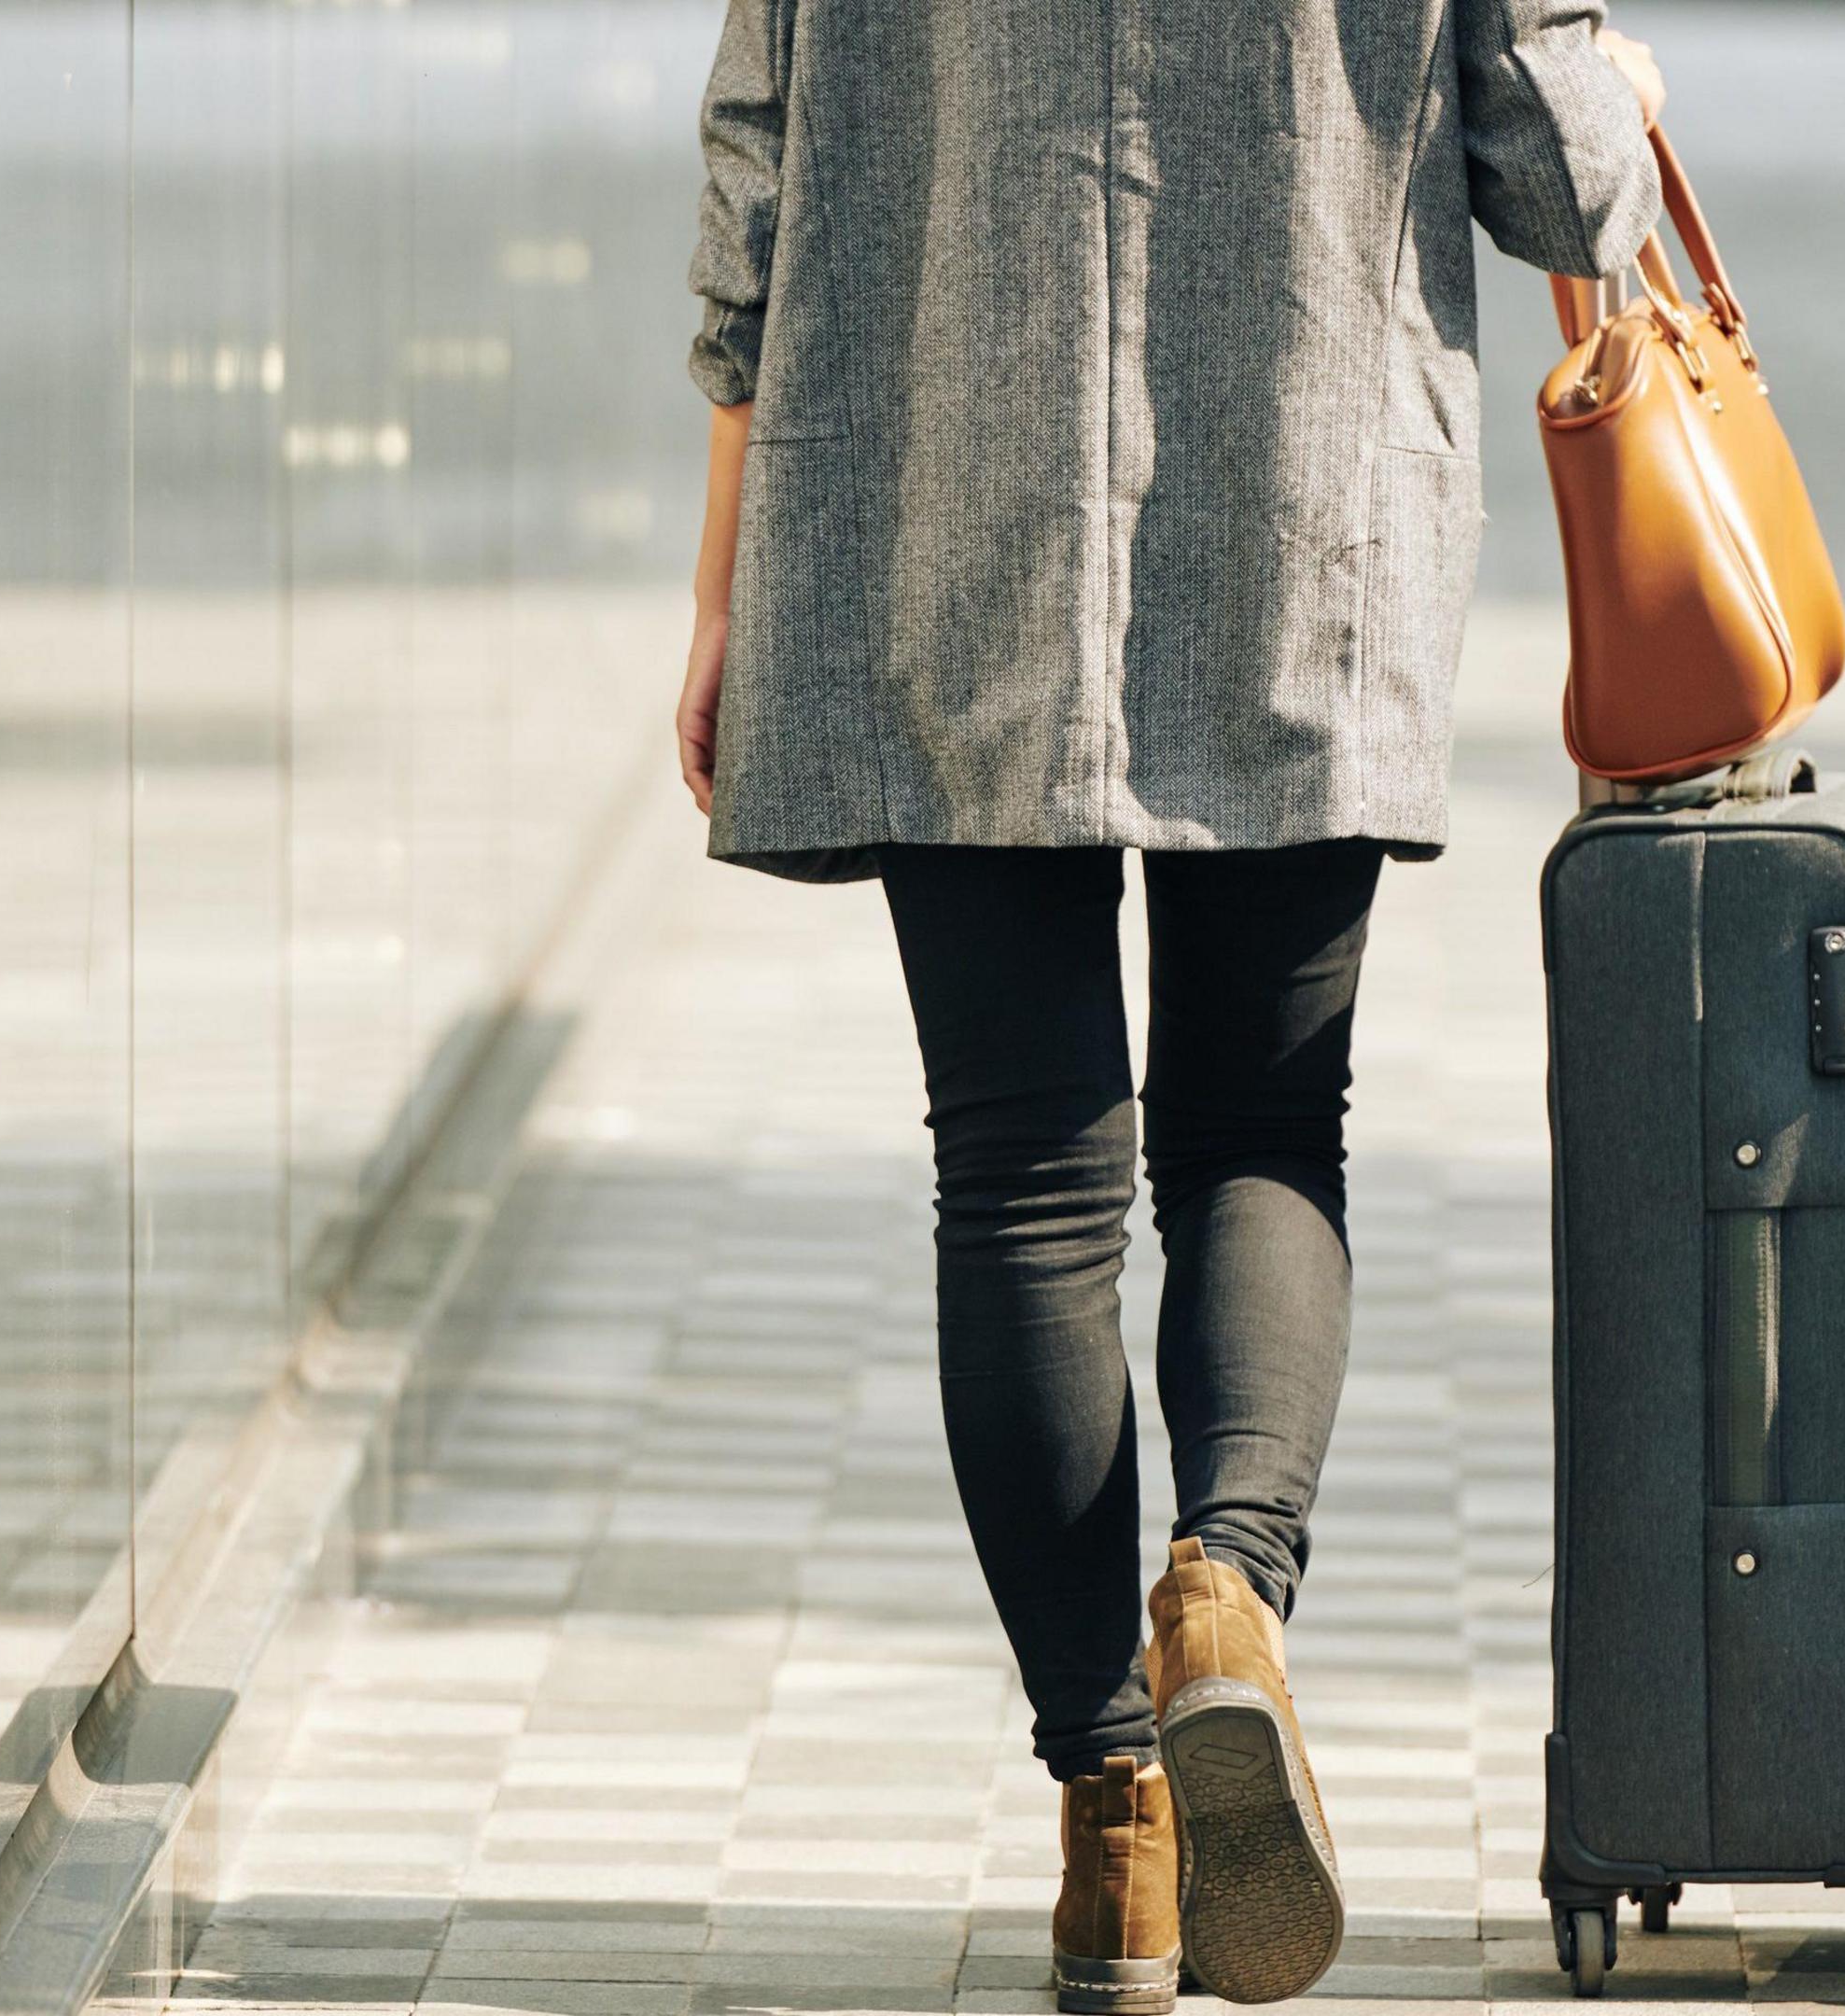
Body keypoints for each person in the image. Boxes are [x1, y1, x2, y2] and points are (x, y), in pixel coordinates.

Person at [677, 4, 1667, 2007]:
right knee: (1263, 1132)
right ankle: (1228, 1590)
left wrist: (718, 586)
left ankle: (1116, 1822)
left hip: (933, 499)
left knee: (1020, 1180)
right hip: (1303, 493)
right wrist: (1622, 93)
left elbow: (756, 165)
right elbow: (1559, 174)